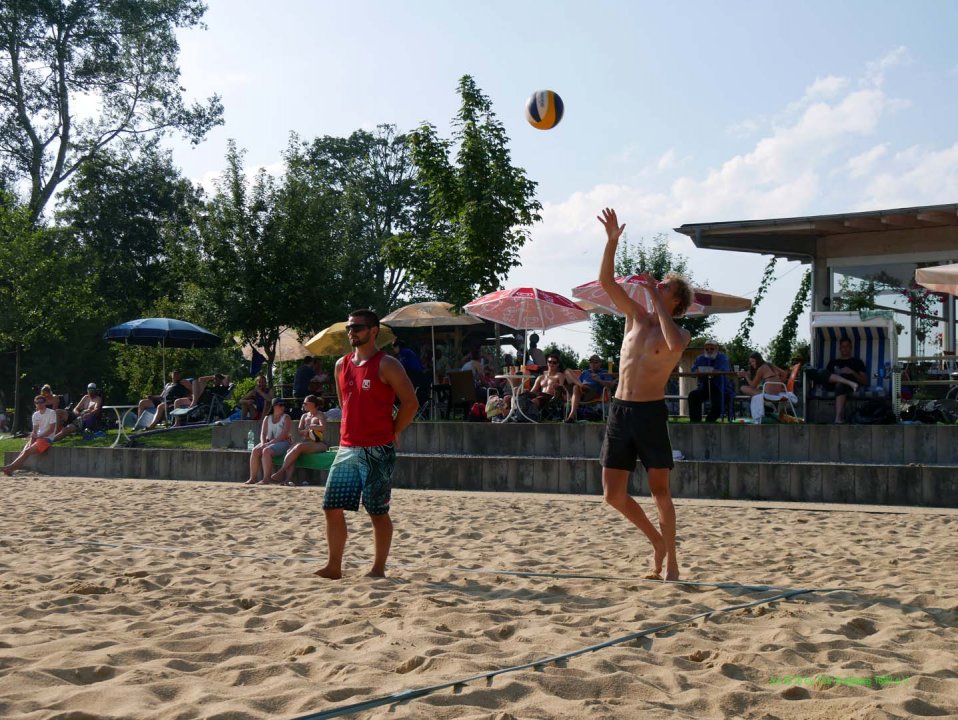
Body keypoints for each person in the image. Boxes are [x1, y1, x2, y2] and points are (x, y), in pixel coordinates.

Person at [596, 207, 693, 582]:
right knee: (612, 495)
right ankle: (656, 541)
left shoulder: (678, 333)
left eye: (666, 286)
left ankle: (671, 562)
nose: (659, 284)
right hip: (621, 411)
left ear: (676, 302)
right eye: (661, 283)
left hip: (650, 413)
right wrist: (611, 243)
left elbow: (671, 343)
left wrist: (655, 297)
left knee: (660, 491)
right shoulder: (636, 317)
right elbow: (606, 282)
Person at [316, 309, 419, 580]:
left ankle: (377, 569)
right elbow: (344, 404)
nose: (351, 332)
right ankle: (334, 566)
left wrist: (393, 430)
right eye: (349, 328)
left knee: (377, 511)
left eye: (358, 327)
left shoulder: (387, 364)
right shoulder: (341, 364)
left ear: (374, 331)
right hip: (348, 446)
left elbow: (411, 403)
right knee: (331, 507)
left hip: (378, 448)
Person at [269, 394, 328, 486]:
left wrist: (313, 427)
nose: (303, 405)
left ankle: (281, 471)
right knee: (290, 450)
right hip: (306, 442)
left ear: (312, 404)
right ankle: (287, 480)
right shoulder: (304, 416)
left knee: (299, 446)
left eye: (305, 403)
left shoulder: (320, 415)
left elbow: (323, 428)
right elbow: (299, 431)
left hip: (318, 443)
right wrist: (304, 431)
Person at [806, 337, 868, 423]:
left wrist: (852, 372)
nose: (845, 348)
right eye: (843, 346)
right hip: (832, 385)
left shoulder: (857, 362)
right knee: (821, 371)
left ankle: (838, 417)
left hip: (845, 387)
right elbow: (826, 376)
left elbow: (865, 381)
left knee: (840, 385)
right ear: (839, 348)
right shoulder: (833, 362)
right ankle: (849, 383)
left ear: (851, 348)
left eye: (847, 346)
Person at [2, 395, 58, 476]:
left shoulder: (51, 413)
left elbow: (51, 430)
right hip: (38, 438)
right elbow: (34, 431)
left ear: (45, 403)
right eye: (37, 402)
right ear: (35, 404)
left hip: (47, 439)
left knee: (27, 451)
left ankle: (10, 467)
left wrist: (39, 436)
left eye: (41, 402)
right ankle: (11, 469)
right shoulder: (35, 415)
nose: (39, 404)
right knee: (25, 451)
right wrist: (33, 439)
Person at [244, 397, 293, 485]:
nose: (283, 407)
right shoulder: (267, 418)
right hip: (268, 442)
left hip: (283, 442)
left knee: (266, 450)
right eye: (280, 405)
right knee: (255, 450)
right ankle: (252, 478)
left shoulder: (286, 417)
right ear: (274, 406)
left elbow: (283, 435)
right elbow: (263, 433)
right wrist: (263, 443)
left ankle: (266, 479)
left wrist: (268, 444)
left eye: (284, 405)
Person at [688, 342, 735, 422]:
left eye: (712, 349)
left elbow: (725, 371)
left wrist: (713, 371)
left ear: (717, 349)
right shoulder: (700, 358)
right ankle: (695, 421)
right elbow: (693, 372)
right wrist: (697, 372)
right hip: (704, 386)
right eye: (707, 349)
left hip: (720, 387)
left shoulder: (723, 358)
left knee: (718, 403)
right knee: (693, 396)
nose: (709, 350)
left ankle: (709, 421)